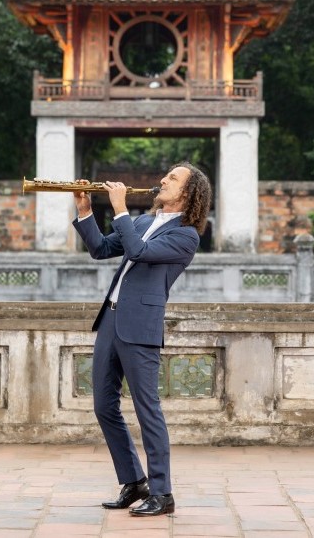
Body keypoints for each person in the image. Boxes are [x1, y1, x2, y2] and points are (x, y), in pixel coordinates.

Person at [72, 162, 212, 517]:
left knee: (148, 410)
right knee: (104, 406)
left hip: (141, 327)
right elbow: (102, 249)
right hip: (111, 320)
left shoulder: (186, 235)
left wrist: (119, 208)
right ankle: (134, 481)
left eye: (174, 178)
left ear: (189, 193)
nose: (163, 180)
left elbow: (139, 253)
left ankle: (162, 493)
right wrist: (85, 210)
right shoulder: (143, 221)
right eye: (166, 175)